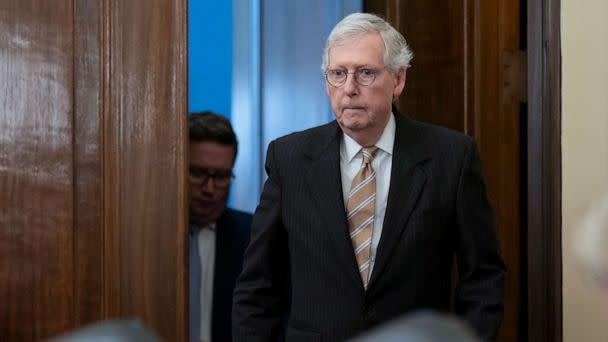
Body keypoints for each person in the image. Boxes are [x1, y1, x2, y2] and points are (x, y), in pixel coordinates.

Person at [232, 12, 506, 342]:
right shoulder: (289, 158)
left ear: (398, 80)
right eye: (337, 73)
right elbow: (259, 284)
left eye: (365, 73)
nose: (349, 89)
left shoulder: (451, 158)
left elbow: (484, 278)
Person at [188, 111, 252, 342]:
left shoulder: (254, 237)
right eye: (197, 173)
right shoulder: (149, 235)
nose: (209, 188)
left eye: (222, 176)